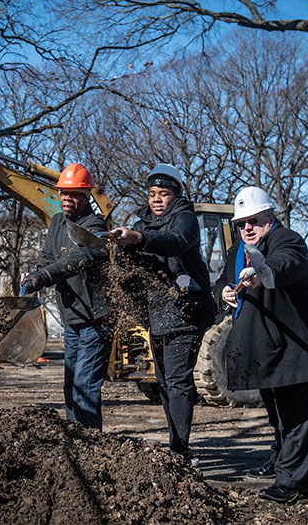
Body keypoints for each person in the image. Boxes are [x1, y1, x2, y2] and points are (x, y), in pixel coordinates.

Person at [214, 186, 308, 504]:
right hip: (266, 347)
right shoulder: (237, 250)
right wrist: (223, 292)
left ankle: (291, 483)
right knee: (278, 416)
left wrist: (263, 272)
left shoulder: (287, 240)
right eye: (241, 223)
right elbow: (221, 282)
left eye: (254, 220)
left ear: (270, 216)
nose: (247, 228)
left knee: (297, 416)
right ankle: (282, 465)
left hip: (297, 346)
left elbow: (286, 263)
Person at [112, 164, 216, 465]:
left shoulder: (185, 219)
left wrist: (138, 240)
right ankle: (176, 444)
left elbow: (175, 243)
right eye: (152, 194)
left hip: (185, 311)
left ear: (175, 196)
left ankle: (181, 450)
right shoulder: (142, 222)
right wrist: (123, 248)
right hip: (156, 313)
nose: (157, 199)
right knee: (164, 382)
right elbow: (133, 257)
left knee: (178, 381)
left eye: (164, 194)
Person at [21, 163, 113, 430]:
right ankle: (76, 437)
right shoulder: (58, 222)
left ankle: (91, 445)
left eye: (73, 194)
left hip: (97, 320)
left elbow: (81, 257)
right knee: (71, 384)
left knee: (85, 385)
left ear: (86, 196)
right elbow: (49, 258)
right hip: (72, 319)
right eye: (63, 193)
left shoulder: (95, 226)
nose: (66, 199)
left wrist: (46, 276)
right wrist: (35, 274)